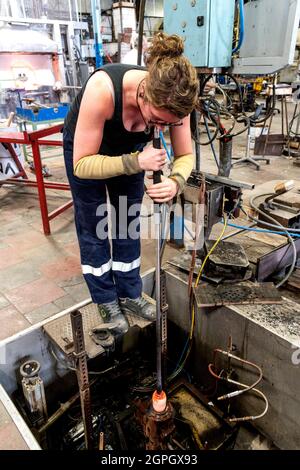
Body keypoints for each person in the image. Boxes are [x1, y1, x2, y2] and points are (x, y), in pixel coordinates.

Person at [63, 32, 199, 335]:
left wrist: (176, 181)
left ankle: (129, 292)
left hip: (134, 155)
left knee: (127, 219)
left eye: (170, 124)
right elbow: (83, 165)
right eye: (158, 120)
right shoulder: (103, 90)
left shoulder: (177, 105)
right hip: (87, 151)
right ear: (144, 94)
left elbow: (186, 154)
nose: (163, 128)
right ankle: (106, 300)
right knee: (94, 221)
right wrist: (136, 162)